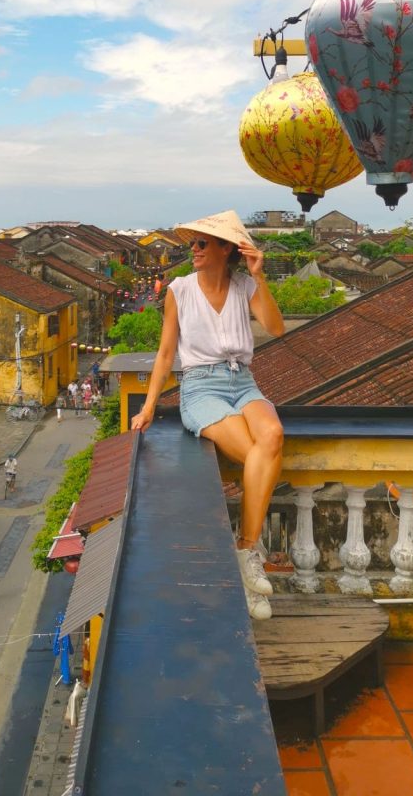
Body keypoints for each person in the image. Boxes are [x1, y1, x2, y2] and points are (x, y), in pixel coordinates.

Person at [130, 210, 285, 621]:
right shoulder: (179, 291)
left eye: (202, 244)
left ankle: (245, 550)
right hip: (200, 387)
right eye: (193, 244)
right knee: (254, 451)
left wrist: (260, 275)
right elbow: (166, 353)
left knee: (272, 435)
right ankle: (250, 555)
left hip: (243, 382)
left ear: (226, 250)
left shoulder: (244, 286)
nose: (193, 250)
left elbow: (276, 327)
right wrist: (148, 407)